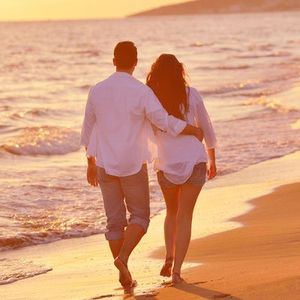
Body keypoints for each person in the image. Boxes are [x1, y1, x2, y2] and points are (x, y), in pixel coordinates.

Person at [80, 41, 203, 288]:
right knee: (140, 217)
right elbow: (163, 120)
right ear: (135, 62)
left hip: (104, 163)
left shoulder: (97, 90)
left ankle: (123, 274)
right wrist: (189, 128)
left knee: (114, 222)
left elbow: (87, 128)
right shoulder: (141, 91)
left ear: (114, 61)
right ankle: (122, 259)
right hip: (133, 164)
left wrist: (90, 161)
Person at [146, 54, 217, 284]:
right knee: (186, 216)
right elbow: (206, 127)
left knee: (171, 213)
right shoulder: (191, 94)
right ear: (179, 71)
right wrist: (212, 157)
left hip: (166, 164)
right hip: (194, 161)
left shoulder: (152, 99)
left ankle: (168, 256)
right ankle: (176, 271)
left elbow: (147, 131)